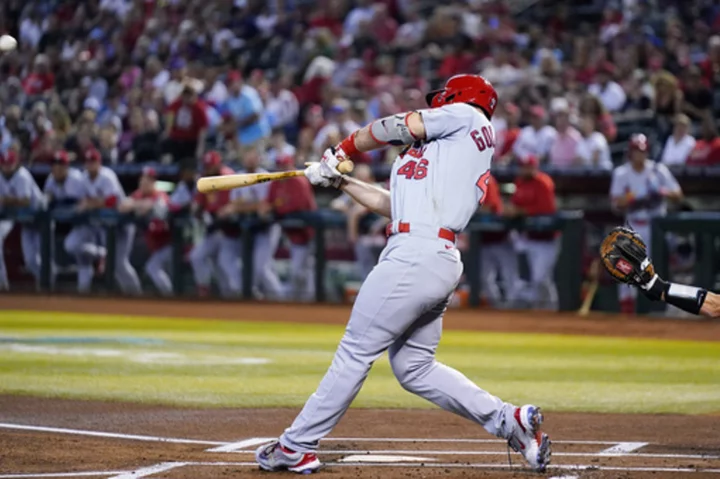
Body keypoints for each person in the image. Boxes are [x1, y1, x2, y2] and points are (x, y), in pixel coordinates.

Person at [255, 74, 551, 474]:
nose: (437, 105)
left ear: (460, 96)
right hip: (430, 253)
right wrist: (340, 180)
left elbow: (400, 125)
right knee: (415, 367)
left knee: (356, 351)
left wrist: (341, 148)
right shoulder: (444, 150)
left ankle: (296, 445)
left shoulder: (468, 117)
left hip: (416, 253)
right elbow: (393, 204)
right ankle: (509, 421)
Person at [609, 134, 683, 314]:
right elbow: (616, 204)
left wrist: (662, 192)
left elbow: (678, 195)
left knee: (656, 271)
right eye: (636, 151)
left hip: (656, 227)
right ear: (630, 153)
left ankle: (658, 310)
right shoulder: (622, 173)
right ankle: (627, 311)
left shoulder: (658, 171)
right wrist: (634, 196)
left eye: (642, 151)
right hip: (634, 225)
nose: (639, 155)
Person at [67, 148, 142, 295]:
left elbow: (112, 200)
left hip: (122, 225)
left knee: (119, 263)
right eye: (88, 162)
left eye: (93, 162)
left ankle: (137, 295)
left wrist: (91, 204)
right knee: (113, 264)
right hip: (104, 226)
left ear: (99, 163)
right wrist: (90, 203)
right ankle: (131, 295)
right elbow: (81, 201)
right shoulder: (83, 178)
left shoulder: (107, 176)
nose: (90, 165)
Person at [219, 147, 284, 299]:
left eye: (253, 156)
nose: (249, 159)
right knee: (254, 266)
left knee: (261, 267)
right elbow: (233, 203)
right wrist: (240, 206)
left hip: (267, 227)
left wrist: (239, 207)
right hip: (247, 229)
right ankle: (253, 295)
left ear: (259, 158)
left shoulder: (266, 177)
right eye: (247, 156)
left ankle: (281, 299)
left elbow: (262, 204)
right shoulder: (238, 176)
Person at [261, 155, 318, 300]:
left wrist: (276, 207)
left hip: (308, 233)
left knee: (304, 271)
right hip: (292, 234)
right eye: (280, 166)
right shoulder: (276, 182)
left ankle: (311, 303)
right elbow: (269, 202)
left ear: (291, 165)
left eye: (285, 166)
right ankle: (298, 303)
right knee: (298, 271)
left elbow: (296, 206)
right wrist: (271, 207)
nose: (282, 169)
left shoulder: (299, 181)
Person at [507, 155, 559, 310]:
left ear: (534, 167)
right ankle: (540, 311)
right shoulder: (520, 182)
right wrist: (510, 210)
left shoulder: (543, 182)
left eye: (528, 166)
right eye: (522, 166)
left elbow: (547, 210)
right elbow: (515, 204)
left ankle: (551, 308)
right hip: (528, 237)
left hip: (546, 240)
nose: (524, 169)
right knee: (535, 279)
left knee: (541, 278)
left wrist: (521, 211)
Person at [189, 151, 239, 297]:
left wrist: (226, 212)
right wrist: (197, 211)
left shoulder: (228, 177)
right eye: (206, 166)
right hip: (213, 228)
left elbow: (235, 203)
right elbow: (198, 203)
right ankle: (204, 287)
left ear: (218, 164)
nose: (208, 169)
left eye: (211, 166)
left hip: (230, 229)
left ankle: (239, 293)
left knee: (225, 263)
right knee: (196, 256)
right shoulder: (205, 178)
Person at [330, 164, 388, 281]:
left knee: (382, 272)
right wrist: (349, 209)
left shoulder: (378, 188)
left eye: (363, 178)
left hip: (383, 237)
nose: (360, 181)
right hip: (364, 238)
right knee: (366, 272)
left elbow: (391, 210)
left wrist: (363, 210)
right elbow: (335, 204)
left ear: (370, 178)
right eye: (358, 177)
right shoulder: (353, 193)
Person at [118, 167, 171, 296]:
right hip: (156, 245)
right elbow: (122, 207)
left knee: (153, 268)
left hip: (170, 244)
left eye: (147, 180)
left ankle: (171, 298)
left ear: (153, 182)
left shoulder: (160, 195)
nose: (143, 183)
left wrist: (140, 205)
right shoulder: (139, 194)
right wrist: (141, 204)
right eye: (142, 180)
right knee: (153, 268)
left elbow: (156, 205)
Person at [0, 150, 44, 290]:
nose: (7, 167)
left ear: (16, 163)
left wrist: (4, 201)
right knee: (30, 261)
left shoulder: (22, 176)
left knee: (41, 259)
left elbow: (24, 201)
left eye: (10, 164)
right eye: (4, 164)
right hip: (23, 221)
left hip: (39, 219)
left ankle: (48, 286)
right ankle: (2, 284)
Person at [478, 173, 520, 306]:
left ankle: (513, 307)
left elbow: (489, 207)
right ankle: (496, 306)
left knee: (510, 276)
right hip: (483, 241)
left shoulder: (487, 179)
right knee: (484, 278)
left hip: (501, 239)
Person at [163, 84, 208, 161]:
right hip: (176, 141)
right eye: (185, 96)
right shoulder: (175, 105)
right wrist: (167, 133)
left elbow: (203, 129)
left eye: (189, 96)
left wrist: (200, 148)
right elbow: (169, 120)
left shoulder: (199, 109)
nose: (187, 99)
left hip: (191, 142)